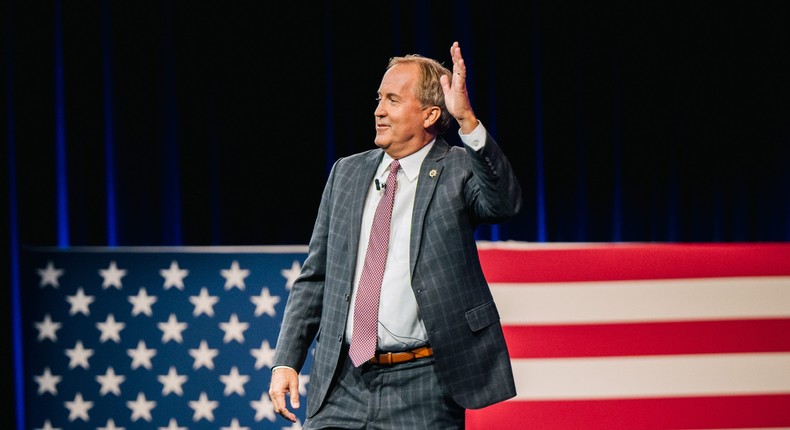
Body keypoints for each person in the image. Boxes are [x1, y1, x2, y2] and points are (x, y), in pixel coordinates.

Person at [269, 41, 522, 429]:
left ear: (430, 114)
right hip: (342, 383)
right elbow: (315, 276)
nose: (378, 111)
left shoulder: (458, 168)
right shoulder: (346, 173)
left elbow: (504, 202)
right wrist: (287, 359)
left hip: (424, 384)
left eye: (392, 100)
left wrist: (468, 120)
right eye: (378, 98)